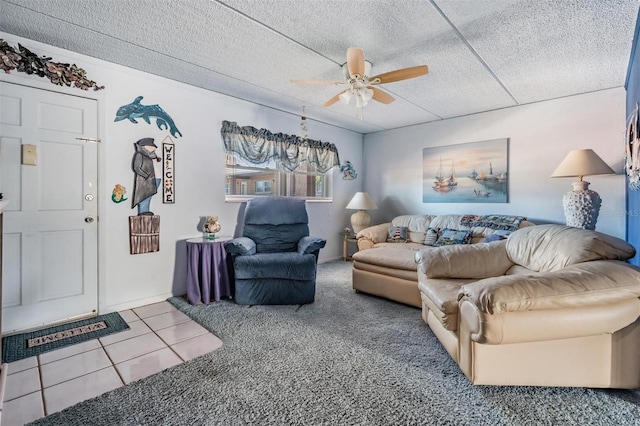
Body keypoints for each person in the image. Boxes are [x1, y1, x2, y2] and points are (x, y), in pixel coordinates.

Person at [131, 138, 161, 215]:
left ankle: (145, 210)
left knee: (149, 195)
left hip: (154, 178)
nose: (154, 148)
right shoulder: (139, 154)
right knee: (144, 195)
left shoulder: (150, 155)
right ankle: (143, 211)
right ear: (145, 146)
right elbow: (137, 167)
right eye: (151, 146)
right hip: (147, 180)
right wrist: (146, 175)